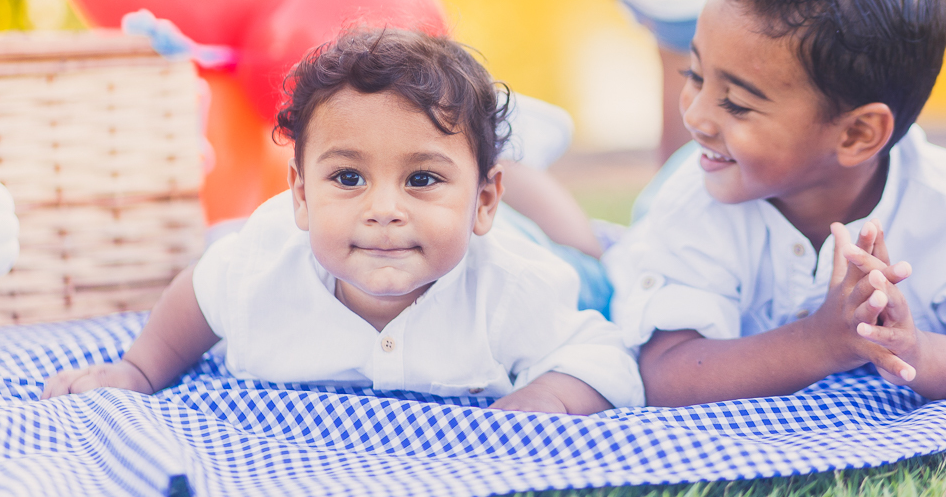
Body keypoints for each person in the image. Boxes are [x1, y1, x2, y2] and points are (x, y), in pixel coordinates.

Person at [43, 29, 644, 414]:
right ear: (301, 196)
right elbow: (198, 297)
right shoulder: (261, 266)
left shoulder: (512, 287)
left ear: (482, 203)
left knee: (591, 257)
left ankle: (520, 161)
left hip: (531, 244)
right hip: (463, 210)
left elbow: (606, 357)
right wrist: (138, 369)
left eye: (421, 179)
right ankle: (486, 155)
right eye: (349, 179)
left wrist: (548, 397)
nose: (383, 209)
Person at [598, 0, 946, 406]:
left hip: (726, 164)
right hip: (696, 181)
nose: (695, 113)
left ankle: (676, 34)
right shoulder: (694, 203)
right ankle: (671, 38)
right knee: (592, 252)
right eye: (694, 75)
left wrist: (915, 350)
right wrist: (820, 342)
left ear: (857, 134)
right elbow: (662, 374)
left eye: (736, 103)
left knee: (687, 156)